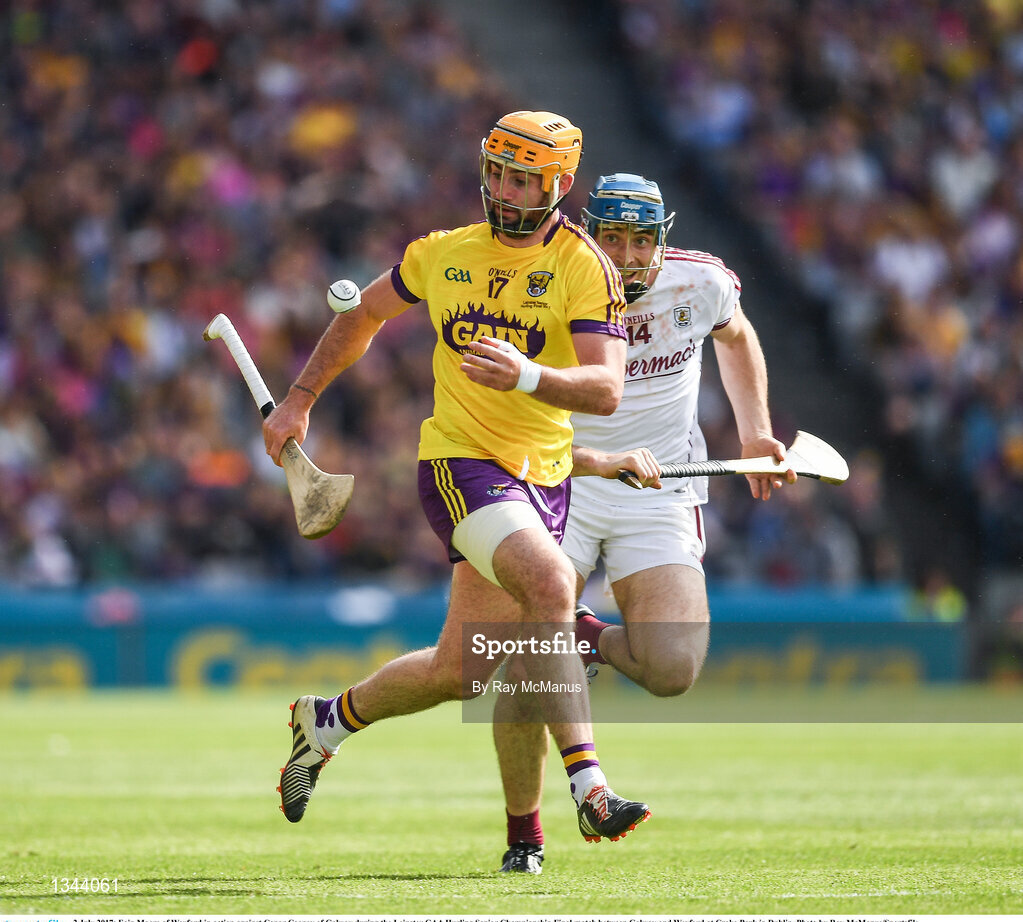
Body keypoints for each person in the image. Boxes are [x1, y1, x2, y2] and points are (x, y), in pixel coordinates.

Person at [263, 113, 654, 846]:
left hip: (544, 482)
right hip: (458, 466)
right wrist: (300, 399)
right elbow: (364, 315)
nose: (504, 190)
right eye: (498, 171)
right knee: (550, 586)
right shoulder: (441, 253)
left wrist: (529, 374)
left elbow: (605, 390)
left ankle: (326, 721)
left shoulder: (583, 267)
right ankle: (589, 786)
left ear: (559, 185)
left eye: (523, 178)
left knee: (460, 671)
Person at [492, 173, 797, 874]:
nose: (627, 257)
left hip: (659, 491)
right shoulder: (536, 286)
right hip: (558, 481)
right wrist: (597, 462)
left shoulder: (701, 284)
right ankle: (524, 835)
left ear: (663, 238)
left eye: (641, 241)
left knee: (671, 668)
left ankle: (584, 636)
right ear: (583, 233)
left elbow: (737, 335)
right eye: (611, 238)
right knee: (524, 666)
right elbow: (499, 416)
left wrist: (754, 433)